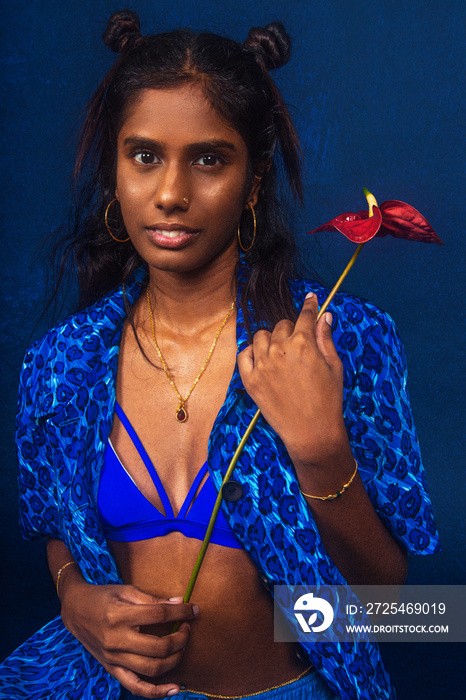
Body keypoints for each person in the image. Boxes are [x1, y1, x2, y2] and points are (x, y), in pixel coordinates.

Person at [0, 10, 439, 700]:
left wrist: (322, 448)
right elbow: (59, 527)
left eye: (209, 158)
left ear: (253, 181)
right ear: (116, 169)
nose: (171, 194)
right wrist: (75, 601)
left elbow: (397, 612)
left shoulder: (333, 338)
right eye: (144, 156)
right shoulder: (62, 362)